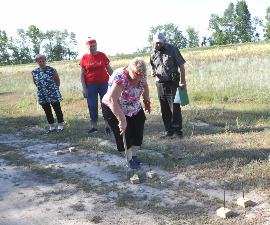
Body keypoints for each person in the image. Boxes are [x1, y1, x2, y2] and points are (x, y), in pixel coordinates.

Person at [102, 57, 151, 169]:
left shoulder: (141, 75)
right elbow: (112, 100)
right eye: (135, 77)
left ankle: (133, 156)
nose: (137, 80)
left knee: (138, 130)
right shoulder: (121, 77)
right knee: (125, 133)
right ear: (129, 69)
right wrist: (122, 120)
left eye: (140, 77)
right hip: (116, 107)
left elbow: (145, 86)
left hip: (134, 106)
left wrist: (146, 100)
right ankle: (129, 160)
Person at [150, 32, 186, 138]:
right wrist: (152, 72)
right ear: (153, 42)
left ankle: (178, 131)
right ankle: (169, 130)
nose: (158, 45)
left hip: (172, 82)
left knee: (175, 106)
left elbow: (181, 66)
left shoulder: (173, 49)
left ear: (164, 41)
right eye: (156, 43)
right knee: (164, 108)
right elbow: (152, 66)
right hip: (160, 83)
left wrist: (183, 81)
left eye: (160, 43)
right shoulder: (153, 53)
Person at [80, 38, 113, 134]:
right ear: (87, 47)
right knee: (92, 105)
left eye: (94, 46)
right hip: (90, 85)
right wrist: (84, 88)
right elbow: (82, 74)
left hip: (104, 84)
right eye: (90, 46)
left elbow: (109, 69)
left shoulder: (102, 55)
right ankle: (94, 127)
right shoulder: (84, 58)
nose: (92, 48)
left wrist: (117, 80)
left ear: (96, 46)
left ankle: (107, 126)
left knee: (106, 104)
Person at [31, 54, 64, 134]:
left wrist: (53, 89)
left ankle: (60, 126)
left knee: (57, 109)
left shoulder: (52, 70)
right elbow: (35, 82)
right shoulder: (35, 72)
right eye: (40, 62)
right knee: (47, 111)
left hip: (53, 93)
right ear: (37, 62)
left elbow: (57, 81)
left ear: (45, 61)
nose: (41, 63)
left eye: (43, 61)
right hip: (42, 95)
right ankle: (52, 127)